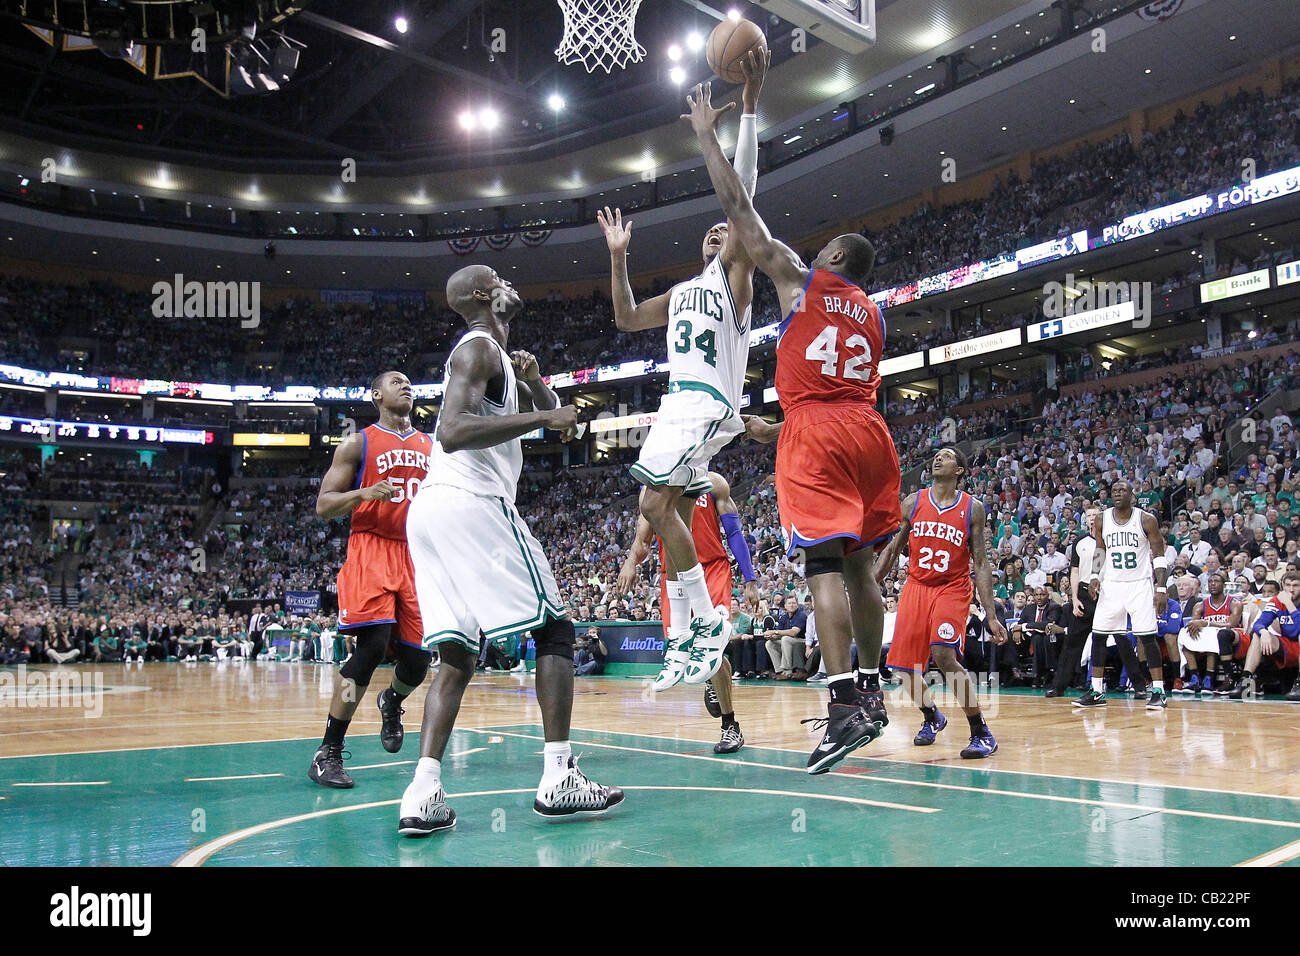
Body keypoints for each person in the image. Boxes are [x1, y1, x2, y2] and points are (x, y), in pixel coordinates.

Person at [689, 74, 898, 771]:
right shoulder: (873, 312)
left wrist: (708, 139)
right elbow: (838, 384)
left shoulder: (800, 276)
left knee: (822, 568)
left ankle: (841, 707)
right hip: (870, 430)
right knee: (863, 564)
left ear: (834, 258)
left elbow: (738, 208)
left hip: (818, 431)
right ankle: (871, 688)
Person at [399, 264, 622, 836]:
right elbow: (450, 429)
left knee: (456, 656)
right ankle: (558, 778)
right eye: (498, 276)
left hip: (432, 513)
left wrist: (539, 388)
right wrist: (544, 411)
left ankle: (422, 792)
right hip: (470, 498)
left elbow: (561, 426)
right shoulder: (476, 349)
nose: (510, 281)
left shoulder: (502, 359)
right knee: (555, 629)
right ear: (483, 295)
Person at [596, 52, 767, 692]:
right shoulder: (679, 294)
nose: (716, 235)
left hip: (705, 403)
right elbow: (625, 318)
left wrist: (724, 123)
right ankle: (697, 623)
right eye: (710, 233)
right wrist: (619, 259)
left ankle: (700, 621)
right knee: (659, 507)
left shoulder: (736, 277)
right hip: (677, 406)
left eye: (726, 232)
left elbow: (742, 193)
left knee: (650, 500)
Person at [309, 370, 435, 790]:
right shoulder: (358, 442)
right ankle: (327, 751)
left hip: (416, 555)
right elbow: (324, 505)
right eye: (396, 380)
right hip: (372, 547)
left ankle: (392, 700)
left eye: (408, 380)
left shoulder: (431, 445)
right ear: (377, 394)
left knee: (418, 660)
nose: (406, 384)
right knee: (373, 645)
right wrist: (362, 494)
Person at [874, 447, 1006, 758]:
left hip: (952, 587)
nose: (938, 458)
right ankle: (932, 716)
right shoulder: (914, 501)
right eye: (937, 455)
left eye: (946, 456)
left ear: (959, 470)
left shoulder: (972, 508)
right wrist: (872, 584)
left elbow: (982, 562)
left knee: (944, 655)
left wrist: (991, 613)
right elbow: (893, 549)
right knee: (901, 667)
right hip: (917, 586)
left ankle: (981, 731)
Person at [616, 470, 759, 753]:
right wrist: (630, 562)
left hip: (713, 569)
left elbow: (733, 532)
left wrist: (750, 579)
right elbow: (642, 540)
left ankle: (730, 726)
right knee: (682, 644)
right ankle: (711, 679)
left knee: (713, 647)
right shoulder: (651, 490)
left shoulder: (714, 483)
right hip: (675, 574)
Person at [1076, 480, 1170, 709]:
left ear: (1132, 495)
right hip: (1112, 585)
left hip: (1139, 585)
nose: (1117, 493)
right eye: (1114, 490)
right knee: (1098, 635)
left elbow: (1158, 555)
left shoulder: (1146, 519)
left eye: (1122, 490)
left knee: (1147, 637)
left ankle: (1159, 690)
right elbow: (1100, 548)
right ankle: (1097, 691)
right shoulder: (1102, 518)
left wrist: (1161, 588)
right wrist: (1095, 576)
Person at [1227, 569, 1300, 700]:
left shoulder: (1286, 601)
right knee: (1258, 634)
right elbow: (1259, 623)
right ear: (1283, 586)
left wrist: (1289, 604)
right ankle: (1246, 681)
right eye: (1288, 585)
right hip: (1288, 646)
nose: (1291, 589)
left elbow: (1298, 628)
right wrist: (1263, 631)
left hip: (1298, 643)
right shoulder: (1277, 601)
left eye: (1295, 585)